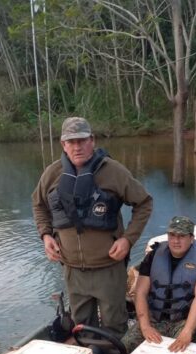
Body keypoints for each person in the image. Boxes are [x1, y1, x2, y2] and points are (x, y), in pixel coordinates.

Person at [32, 117, 153, 338]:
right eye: (71, 142)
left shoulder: (113, 171)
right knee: (81, 327)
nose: (77, 147)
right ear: (63, 144)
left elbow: (144, 203)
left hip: (108, 267)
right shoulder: (52, 174)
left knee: (115, 326)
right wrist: (46, 235)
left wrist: (128, 239)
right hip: (72, 270)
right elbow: (39, 205)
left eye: (82, 140)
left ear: (92, 140)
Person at [122, 216, 196, 353]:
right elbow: (140, 293)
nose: (176, 241)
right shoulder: (153, 256)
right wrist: (146, 326)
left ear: (191, 238)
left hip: (183, 320)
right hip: (154, 318)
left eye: (181, 236)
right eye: (172, 235)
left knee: (180, 352)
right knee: (126, 345)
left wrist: (187, 331)